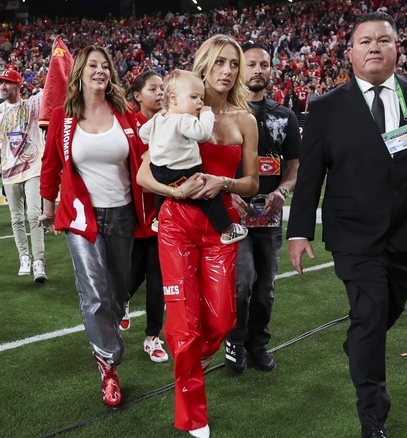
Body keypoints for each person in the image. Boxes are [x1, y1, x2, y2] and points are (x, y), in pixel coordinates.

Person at [287, 12, 407, 438]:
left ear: (397, 49)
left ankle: (360, 345)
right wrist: (299, 231)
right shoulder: (325, 107)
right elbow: (312, 174)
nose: (374, 47)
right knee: (371, 316)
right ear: (350, 53)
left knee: (382, 313)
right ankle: (373, 415)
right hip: (353, 233)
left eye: (383, 40)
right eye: (365, 41)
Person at [137, 34, 259, 438]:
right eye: (220, 62)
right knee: (185, 325)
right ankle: (193, 415)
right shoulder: (175, 112)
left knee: (222, 319)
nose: (227, 71)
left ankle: (187, 360)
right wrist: (175, 191)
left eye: (234, 64)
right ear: (204, 65)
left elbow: (252, 184)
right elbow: (143, 174)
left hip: (220, 230)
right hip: (176, 226)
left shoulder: (245, 120)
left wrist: (223, 183)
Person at [39, 45, 149, 408]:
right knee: (94, 293)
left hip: (124, 215)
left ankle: (110, 335)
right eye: (92, 66)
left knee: (117, 294)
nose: (100, 71)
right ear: (80, 72)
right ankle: (108, 364)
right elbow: (51, 165)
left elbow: (149, 156)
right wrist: (47, 207)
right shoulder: (62, 117)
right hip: (80, 217)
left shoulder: (127, 115)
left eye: (105, 65)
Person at [223, 40, 300, 373]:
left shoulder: (284, 116)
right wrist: (226, 193)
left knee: (266, 288)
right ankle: (235, 342)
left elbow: (295, 164)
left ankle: (258, 344)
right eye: (250, 64)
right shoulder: (223, 114)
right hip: (233, 214)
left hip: (269, 215)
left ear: (271, 70)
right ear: (240, 69)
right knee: (241, 283)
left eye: (263, 64)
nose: (257, 70)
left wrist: (283, 190)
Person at [139, 69, 247, 245]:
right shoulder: (183, 119)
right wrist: (206, 113)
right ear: (173, 98)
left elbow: (143, 132)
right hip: (184, 171)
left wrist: (157, 141)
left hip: (159, 170)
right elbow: (203, 133)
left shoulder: (160, 117)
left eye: (201, 98)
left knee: (161, 194)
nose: (199, 102)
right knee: (208, 195)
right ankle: (227, 229)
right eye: (194, 97)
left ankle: (158, 220)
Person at [0, 68, 47, 283]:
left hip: (33, 167)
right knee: (16, 218)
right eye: (0, 83)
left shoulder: (33, 104)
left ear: (18, 84)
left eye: (7, 82)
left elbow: (53, 87)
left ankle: (39, 261)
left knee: (34, 215)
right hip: (9, 170)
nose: (2, 87)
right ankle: (24, 256)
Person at [121, 70, 169, 364]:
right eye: (153, 89)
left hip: (164, 211)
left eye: (163, 88)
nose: (161, 93)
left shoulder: (172, 121)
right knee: (133, 272)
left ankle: (152, 336)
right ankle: (121, 300)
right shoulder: (128, 123)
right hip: (133, 213)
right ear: (137, 96)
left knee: (158, 277)